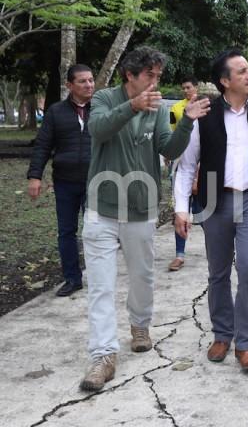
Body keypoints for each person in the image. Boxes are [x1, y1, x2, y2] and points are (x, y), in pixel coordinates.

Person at [80, 46, 208, 391]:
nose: (155, 82)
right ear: (130, 75)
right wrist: (130, 107)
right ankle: (103, 356)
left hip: (141, 209)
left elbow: (168, 149)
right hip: (101, 209)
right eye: (150, 75)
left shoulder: (157, 108)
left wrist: (187, 122)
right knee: (101, 287)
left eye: (158, 77)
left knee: (142, 277)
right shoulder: (105, 99)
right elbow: (98, 130)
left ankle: (140, 325)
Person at [174, 50, 248, 371]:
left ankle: (246, 343)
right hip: (215, 200)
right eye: (242, 72)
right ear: (224, 81)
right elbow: (187, 165)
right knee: (218, 271)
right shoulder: (204, 114)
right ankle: (222, 334)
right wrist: (181, 208)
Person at [27, 64, 95, 297]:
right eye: (83, 81)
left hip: (94, 181)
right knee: (66, 232)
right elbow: (43, 146)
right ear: (69, 85)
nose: (89, 85)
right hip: (65, 181)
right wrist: (35, 176)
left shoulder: (101, 110)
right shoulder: (56, 112)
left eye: (91, 80)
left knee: (95, 231)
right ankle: (72, 278)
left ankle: (97, 276)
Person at [168, 76, 200, 272]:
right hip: (181, 162)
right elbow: (172, 132)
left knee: (203, 211)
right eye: (183, 88)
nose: (186, 91)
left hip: (202, 167)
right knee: (181, 210)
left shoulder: (207, 107)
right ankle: (179, 254)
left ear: (196, 87)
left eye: (188, 87)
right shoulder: (176, 109)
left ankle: (223, 248)